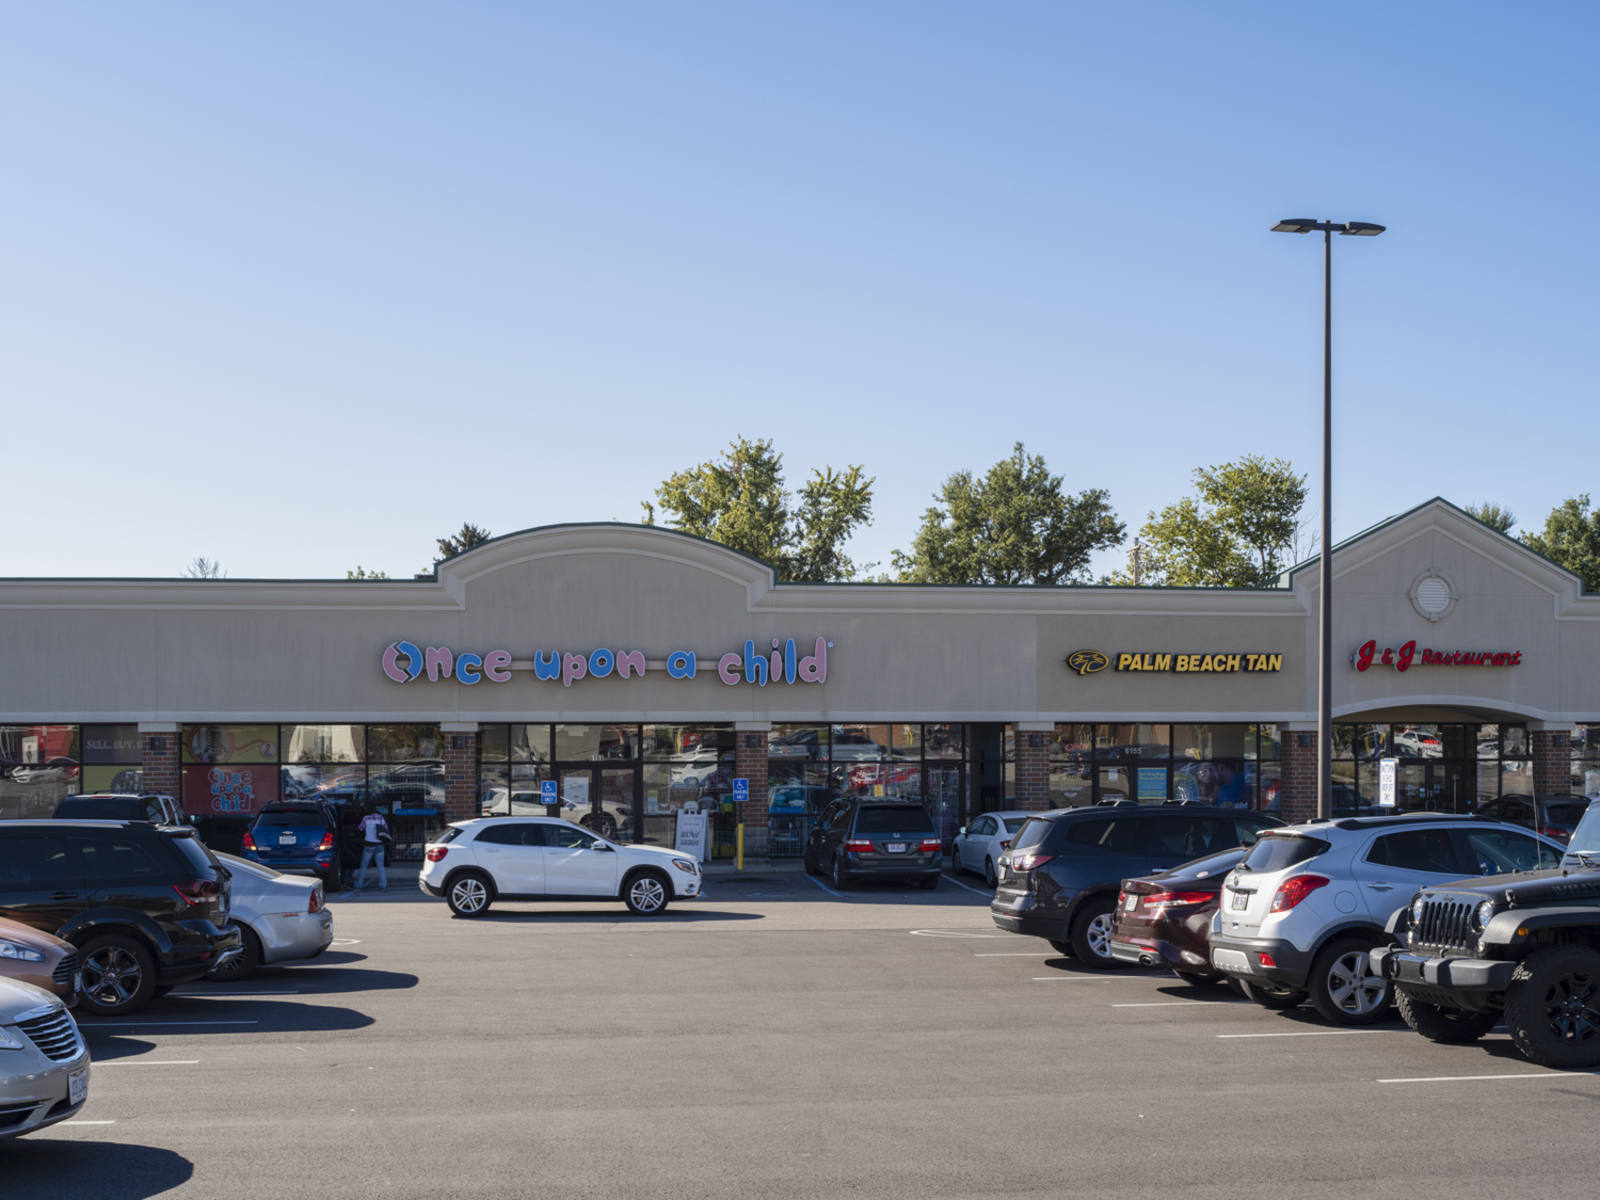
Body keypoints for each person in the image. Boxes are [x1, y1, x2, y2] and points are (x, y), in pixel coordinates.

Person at [354, 806, 391, 890]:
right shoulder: (381, 817)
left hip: (368, 844)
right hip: (379, 844)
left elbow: (360, 828)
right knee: (380, 866)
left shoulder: (366, 818)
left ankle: (359, 884)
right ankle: (383, 885)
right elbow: (386, 829)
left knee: (364, 866)